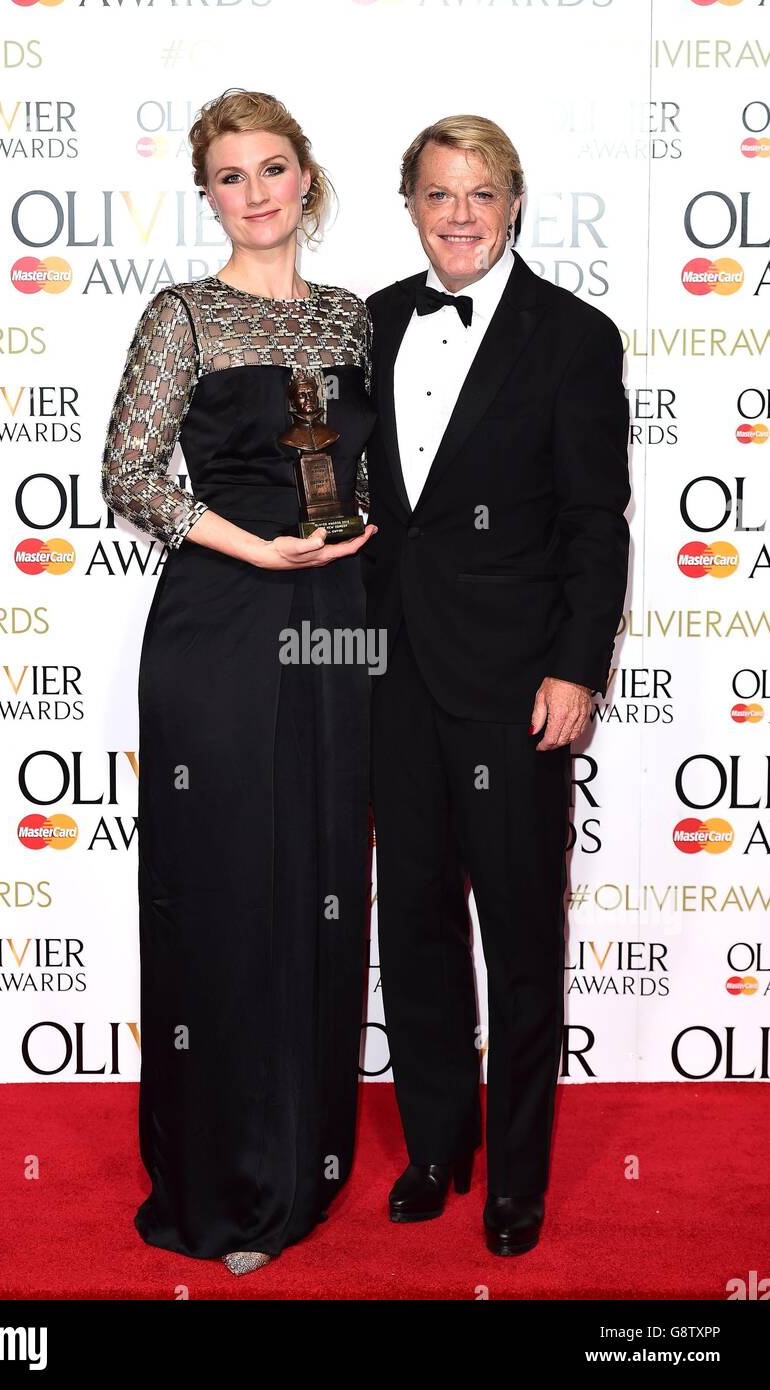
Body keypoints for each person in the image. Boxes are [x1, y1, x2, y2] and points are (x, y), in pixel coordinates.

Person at [100, 88, 377, 1276]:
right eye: (230, 175)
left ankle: (305, 1156)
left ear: (305, 180)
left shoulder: (353, 319)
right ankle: (225, 1176)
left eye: (273, 169)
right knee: (228, 883)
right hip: (222, 614)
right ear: (207, 194)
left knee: (319, 868)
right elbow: (127, 471)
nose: (255, 193)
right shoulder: (183, 318)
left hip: (336, 621)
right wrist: (249, 544)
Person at [362, 115, 630, 1255]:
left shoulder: (573, 336)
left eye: (479, 193)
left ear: (514, 202)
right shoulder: (369, 322)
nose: (459, 214)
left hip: (517, 685)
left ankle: (516, 1173)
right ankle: (436, 1147)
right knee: (412, 924)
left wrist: (576, 667)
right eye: (437, 194)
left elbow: (593, 522)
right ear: (411, 204)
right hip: (389, 679)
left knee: (519, 939)